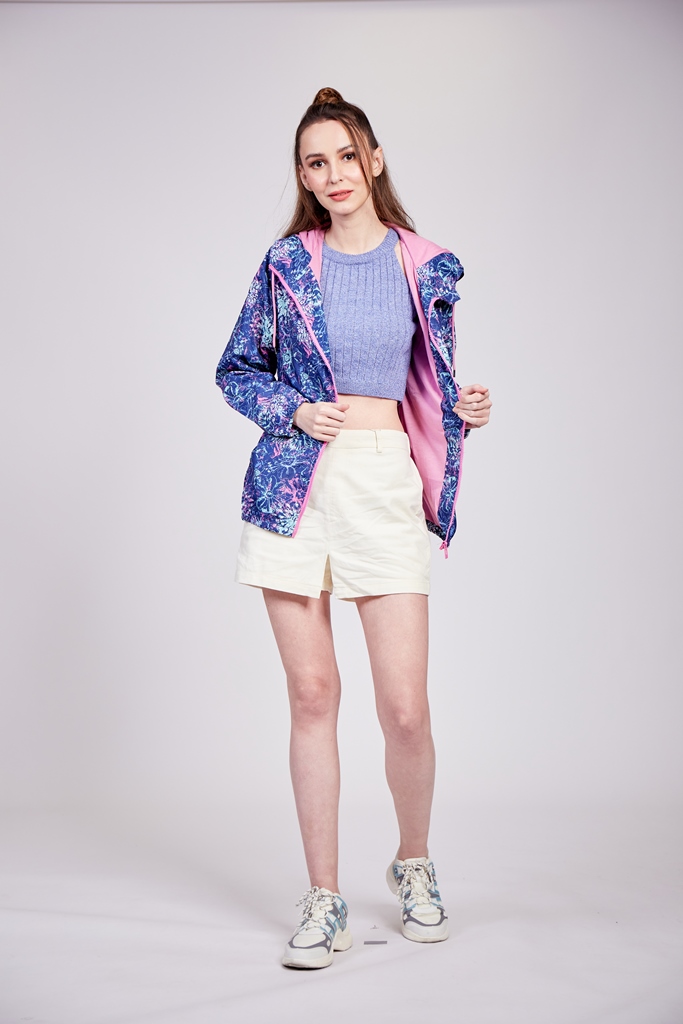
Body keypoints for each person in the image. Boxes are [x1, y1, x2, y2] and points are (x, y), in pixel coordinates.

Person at [215, 87, 492, 970]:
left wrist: (464, 408)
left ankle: (413, 863)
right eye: (314, 162)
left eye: (344, 155)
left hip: (381, 479)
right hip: (294, 485)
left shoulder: (426, 264)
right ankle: (324, 897)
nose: (332, 174)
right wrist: (294, 411)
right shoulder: (284, 265)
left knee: (404, 709)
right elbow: (235, 369)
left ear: (373, 160)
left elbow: (429, 382)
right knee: (312, 697)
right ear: (303, 177)